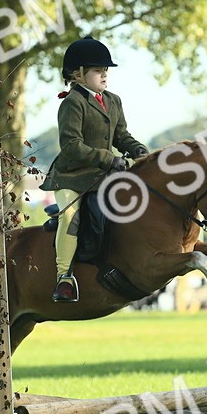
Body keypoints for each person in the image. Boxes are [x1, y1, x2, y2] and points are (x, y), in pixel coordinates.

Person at [39, 37, 149, 303]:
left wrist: (140, 151)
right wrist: (109, 159)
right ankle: (64, 278)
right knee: (71, 216)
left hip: (102, 177)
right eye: (98, 70)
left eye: (105, 70)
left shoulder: (113, 101)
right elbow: (71, 146)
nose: (104, 75)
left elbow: (121, 136)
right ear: (78, 74)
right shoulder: (72, 103)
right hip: (71, 177)